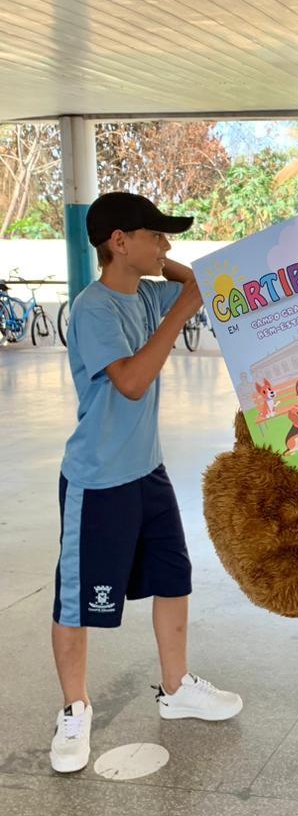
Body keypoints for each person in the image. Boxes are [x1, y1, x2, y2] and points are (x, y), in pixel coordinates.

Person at [49, 192, 243, 775]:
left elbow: (201, 282)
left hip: (146, 470)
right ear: (119, 241)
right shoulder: (94, 309)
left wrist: (163, 266)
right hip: (98, 480)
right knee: (78, 601)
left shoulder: (147, 292)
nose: (166, 245)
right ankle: (75, 709)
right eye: (154, 235)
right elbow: (131, 382)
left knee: (173, 576)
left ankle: (176, 687)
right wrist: (177, 312)